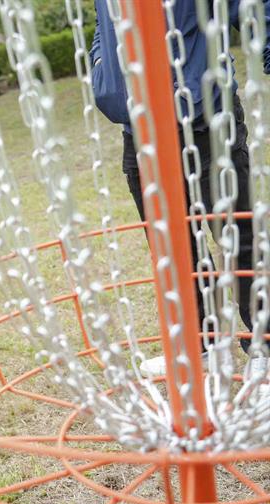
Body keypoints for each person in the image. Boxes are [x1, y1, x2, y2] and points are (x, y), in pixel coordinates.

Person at [90, 0, 270, 376]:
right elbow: (102, 24)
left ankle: (264, 348)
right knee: (173, 249)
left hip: (207, 121)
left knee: (238, 239)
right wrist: (102, 74)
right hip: (139, 129)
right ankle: (201, 348)